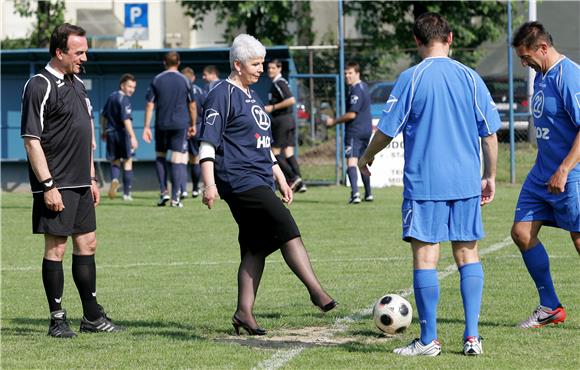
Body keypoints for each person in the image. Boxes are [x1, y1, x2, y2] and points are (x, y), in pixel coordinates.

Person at [358, 13, 500, 356]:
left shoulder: (412, 77)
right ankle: (471, 338)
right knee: (468, 254)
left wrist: (365, 158)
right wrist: (490, 175)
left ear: (416, 41)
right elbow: (490, 133)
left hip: (425, 184)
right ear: (450, 38)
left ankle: (428, 340)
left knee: (425, 260)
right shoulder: (470, 77)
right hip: (466, 182)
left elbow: (386, 130)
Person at [199, 34, 336, 336]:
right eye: (255, 63)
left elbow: (264, 147)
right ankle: (316, 291)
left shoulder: (252, 95)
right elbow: (208, 144)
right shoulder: (222, 93)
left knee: (255, 246)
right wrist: (209, 184)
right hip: (238, 179)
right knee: (286, 225)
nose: (261, 69)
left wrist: (280, 178)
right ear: (237, 64)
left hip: (259, 178)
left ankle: (243, 312)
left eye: (262, 63)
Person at [20, 23, 124, 338]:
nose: (85, 58)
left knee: (88, 243)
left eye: (86, 51)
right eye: (79, 52)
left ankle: (92, 316)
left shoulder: (77, 83)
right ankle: (57, 319)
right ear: (59, 52)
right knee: (57, 249)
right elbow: (31, 140)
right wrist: (48, 185)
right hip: (56, 183)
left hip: (80, 181)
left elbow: (87, 132)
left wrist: (91, 176)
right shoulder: (39, 85)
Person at [510, 21, 580, 329]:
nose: (523, 63)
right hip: (541, 174)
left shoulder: (569, 76)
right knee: (522, 233)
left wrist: (564, 169)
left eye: (526, 57)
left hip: (571, 173)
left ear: (543, 48)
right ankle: (550, 306)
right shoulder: (541, 77)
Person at [143, 51, 196, 208]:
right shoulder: (185, 80)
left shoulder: (157, 79)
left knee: (160, 156)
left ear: (164, 63)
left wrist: (146, 126)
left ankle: (163, 192)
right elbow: (192, 105)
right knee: (178, 159)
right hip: (180, 125)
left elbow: (149, 104)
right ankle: (175, 198)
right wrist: (193, 124)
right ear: (178, 63)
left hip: (161, 124)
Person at [326, 62, 373, 204]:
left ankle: (355, 194)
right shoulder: (364, 86)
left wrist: (333, 122)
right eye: (345, 73)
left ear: (357, 73)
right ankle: (369, 193)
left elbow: (352, 114)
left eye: (350, 73)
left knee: (351, 161)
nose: (347, 76)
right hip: (366, 130)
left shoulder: (356, 90)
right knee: (362, 162)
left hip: (355, 130)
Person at [264, 59, 307, 193]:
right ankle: (300, 182)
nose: (270, 70)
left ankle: (293, 178)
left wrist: (272, 107)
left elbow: (291, 100)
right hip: (289, 120)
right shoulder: (279, 83)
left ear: (279, 69)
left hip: (282, 121)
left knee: (274, 153)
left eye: (272, 68)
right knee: (288, 152)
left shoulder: (279, 83)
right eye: (269, 68)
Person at [100, 73, 138, 201]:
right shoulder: (124, 100)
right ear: (122, 85)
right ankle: (127, 194)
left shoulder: (111, 97)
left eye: (133, 87)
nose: (131, 90)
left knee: (114, 161)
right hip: (122, 134)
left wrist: (103, 130)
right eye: (129, 86)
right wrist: (133, 137)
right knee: (128, 161)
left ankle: (115, 179)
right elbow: (126, 120)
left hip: (110, 133)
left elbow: (103, 116)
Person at [181, 66, 206, 198]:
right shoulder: (200, 91)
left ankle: (182, 189)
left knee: (181, 159)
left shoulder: (179, 89)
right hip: (197, 127)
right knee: (195, 158)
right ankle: (195, 189)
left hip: (182, 128)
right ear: (193, 78)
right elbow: (205, 110)